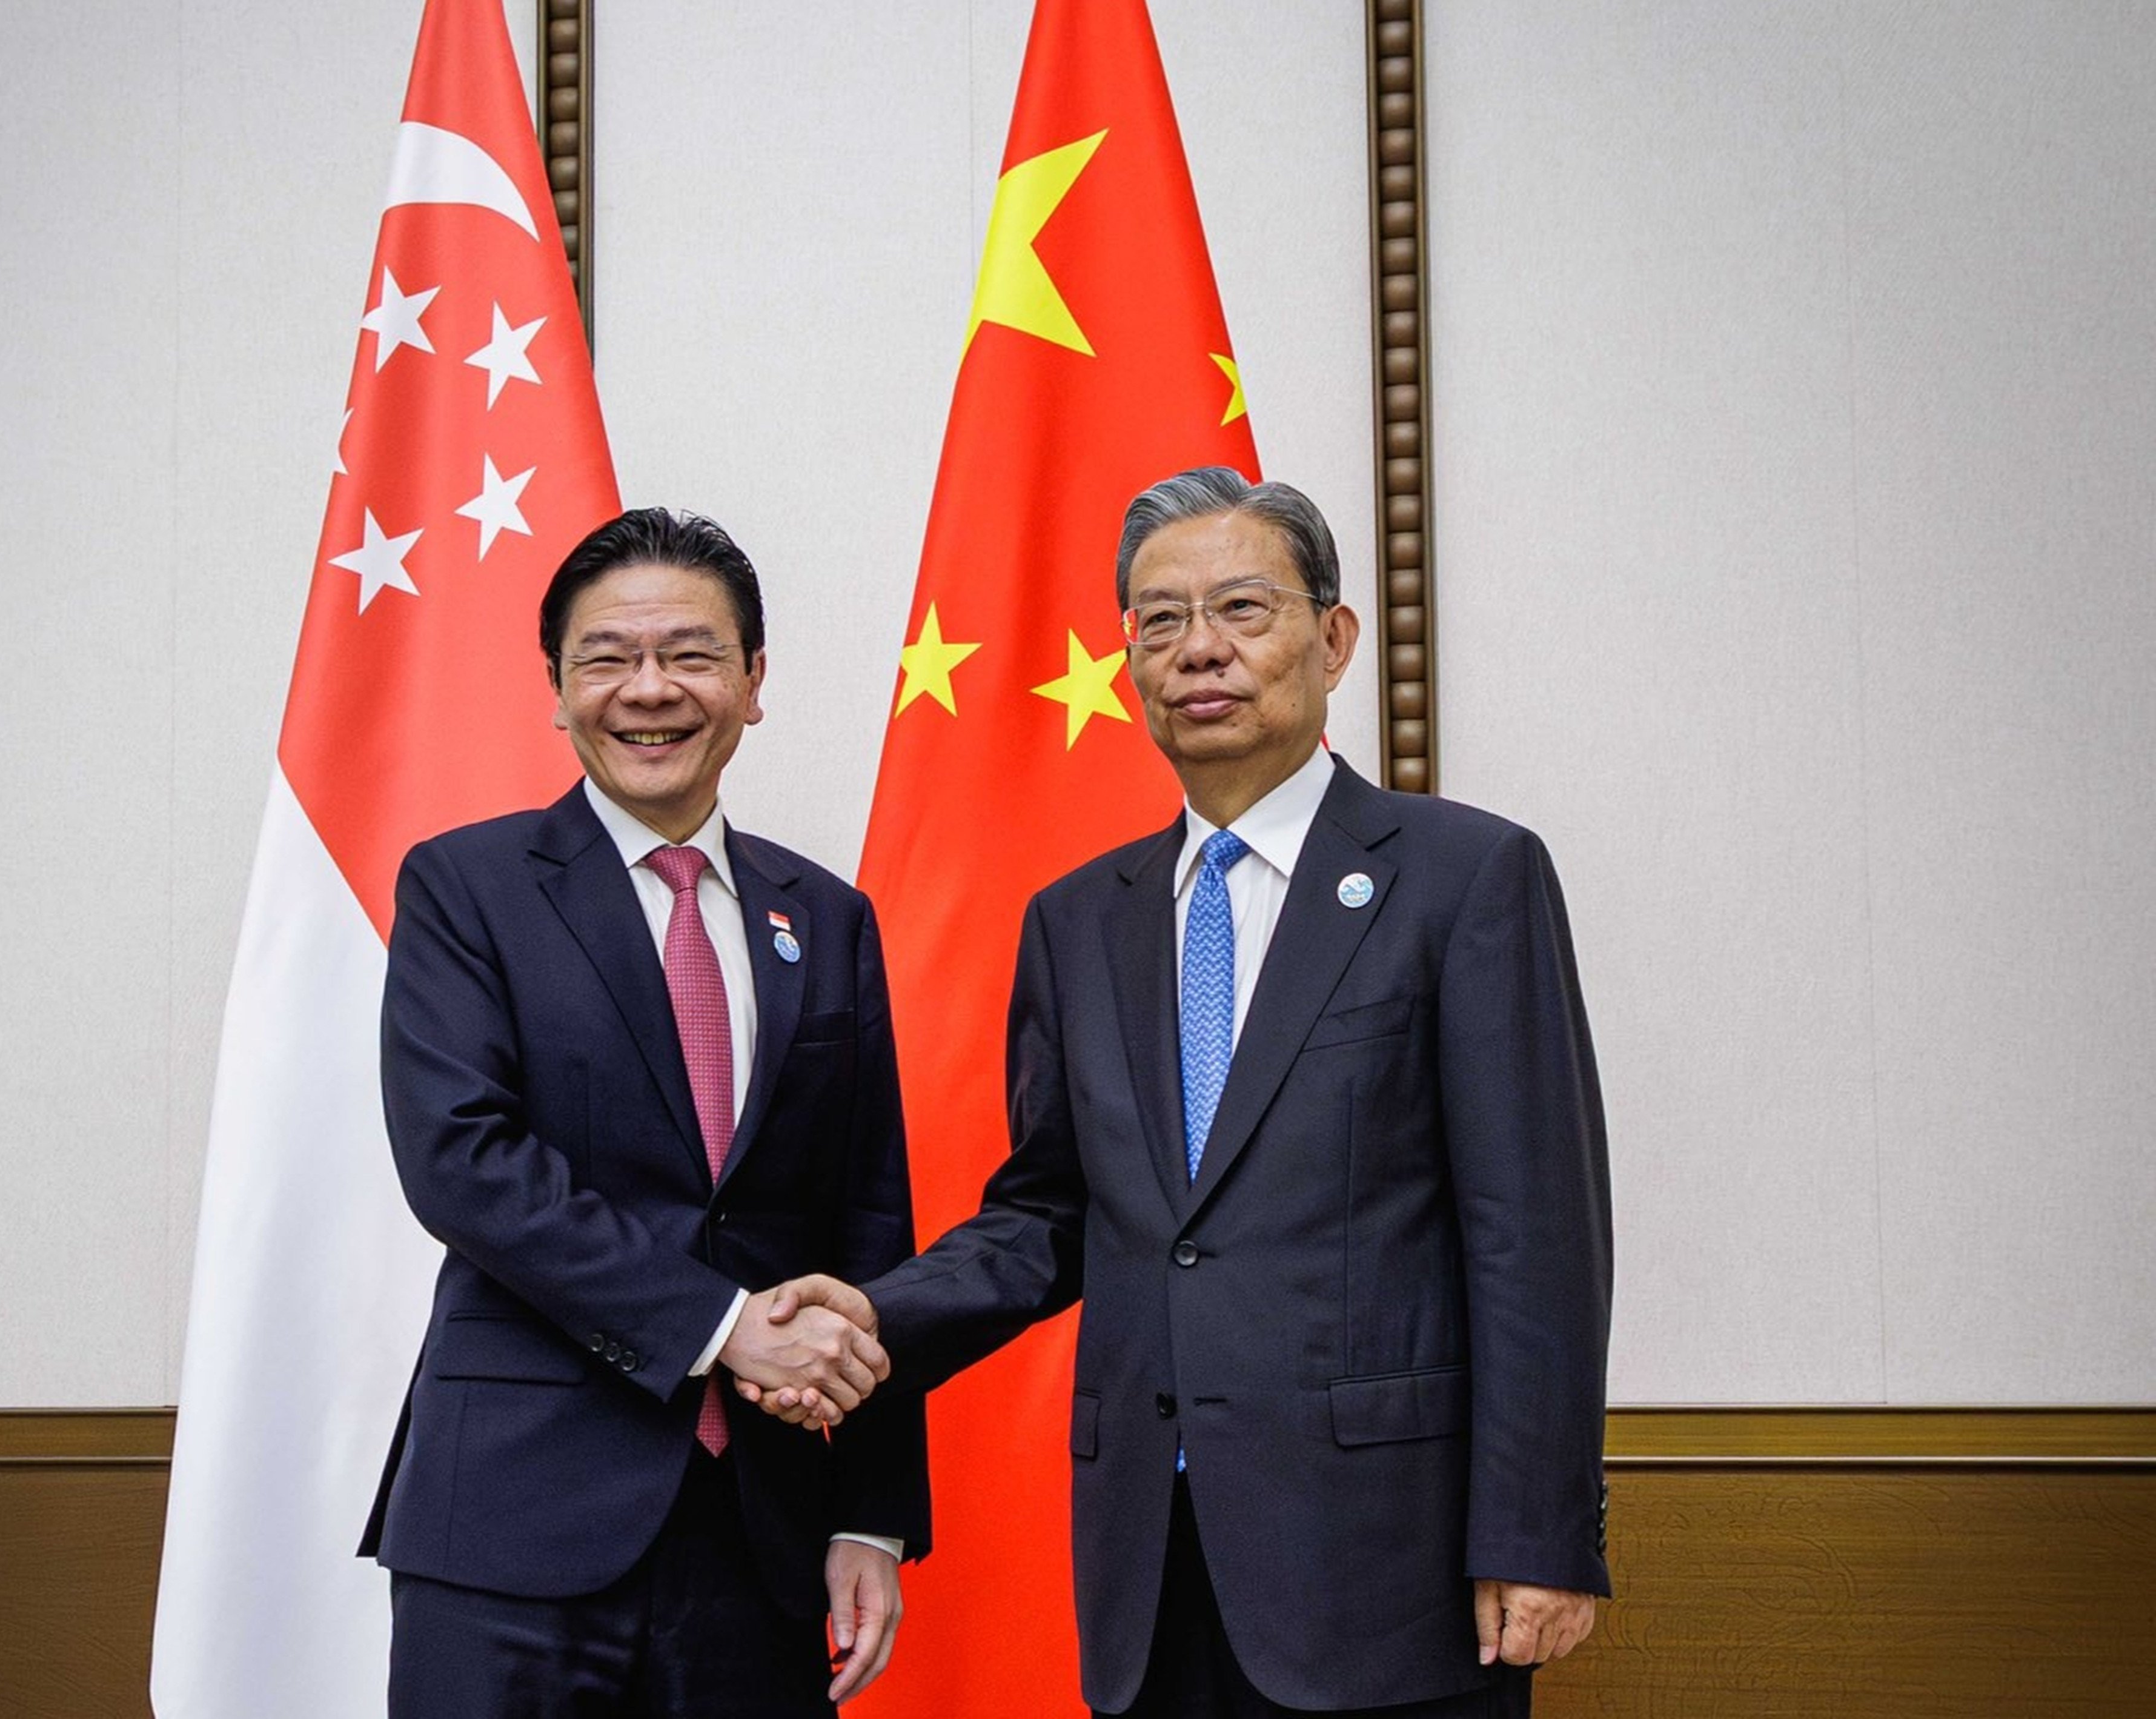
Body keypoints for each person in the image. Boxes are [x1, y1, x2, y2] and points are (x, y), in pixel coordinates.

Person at [758, 468, 1611, 1716]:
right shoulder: (1077, 921)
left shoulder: (1464, 878)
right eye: (1158, 621)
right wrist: (872, 1320)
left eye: (1241, 609)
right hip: (1149, 1561)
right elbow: (1050, 1213)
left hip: (1389, 1562)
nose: (1198, 649)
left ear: (1333, 639)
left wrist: (1539, 1532)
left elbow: (1534, 1234)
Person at [361, 507, 929, 1716]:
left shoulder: (826, 917)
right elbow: (463, 1161)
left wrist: (872, 1511)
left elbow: (869, 1222)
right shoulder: (465, 888)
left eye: (691, 653)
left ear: (754, 682)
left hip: (761, 1535)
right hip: (515, 1524)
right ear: (557, 689)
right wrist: (721, 1325)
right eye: (608, 658)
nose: (649, 689)